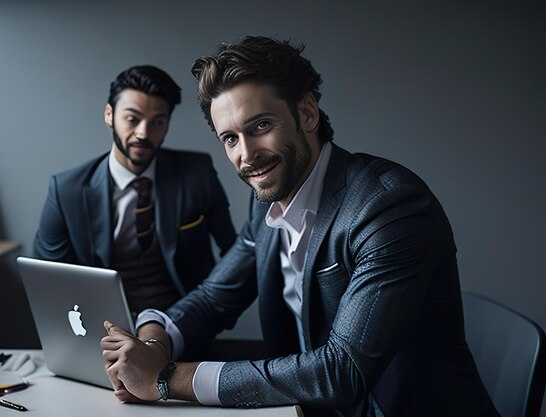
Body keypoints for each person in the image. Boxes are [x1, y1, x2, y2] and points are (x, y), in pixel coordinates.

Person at [100, 37, 500, 417]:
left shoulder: (390, 206)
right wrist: (153, 340)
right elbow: (212, 300)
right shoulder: (269, 199)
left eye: (260, 126)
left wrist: (168, 378)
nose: (246, 155)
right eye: (230, 138)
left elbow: (341, 370)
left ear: (307, 113)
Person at [33, 65, 237, 315]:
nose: (143, 132)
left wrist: (207, 312)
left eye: (157, 122)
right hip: (101, 326)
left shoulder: (197, 173)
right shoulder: (66, 191)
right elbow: (47, 279)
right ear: (109, 114)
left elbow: (235, 252)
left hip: (184, 323)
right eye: (132, 119)